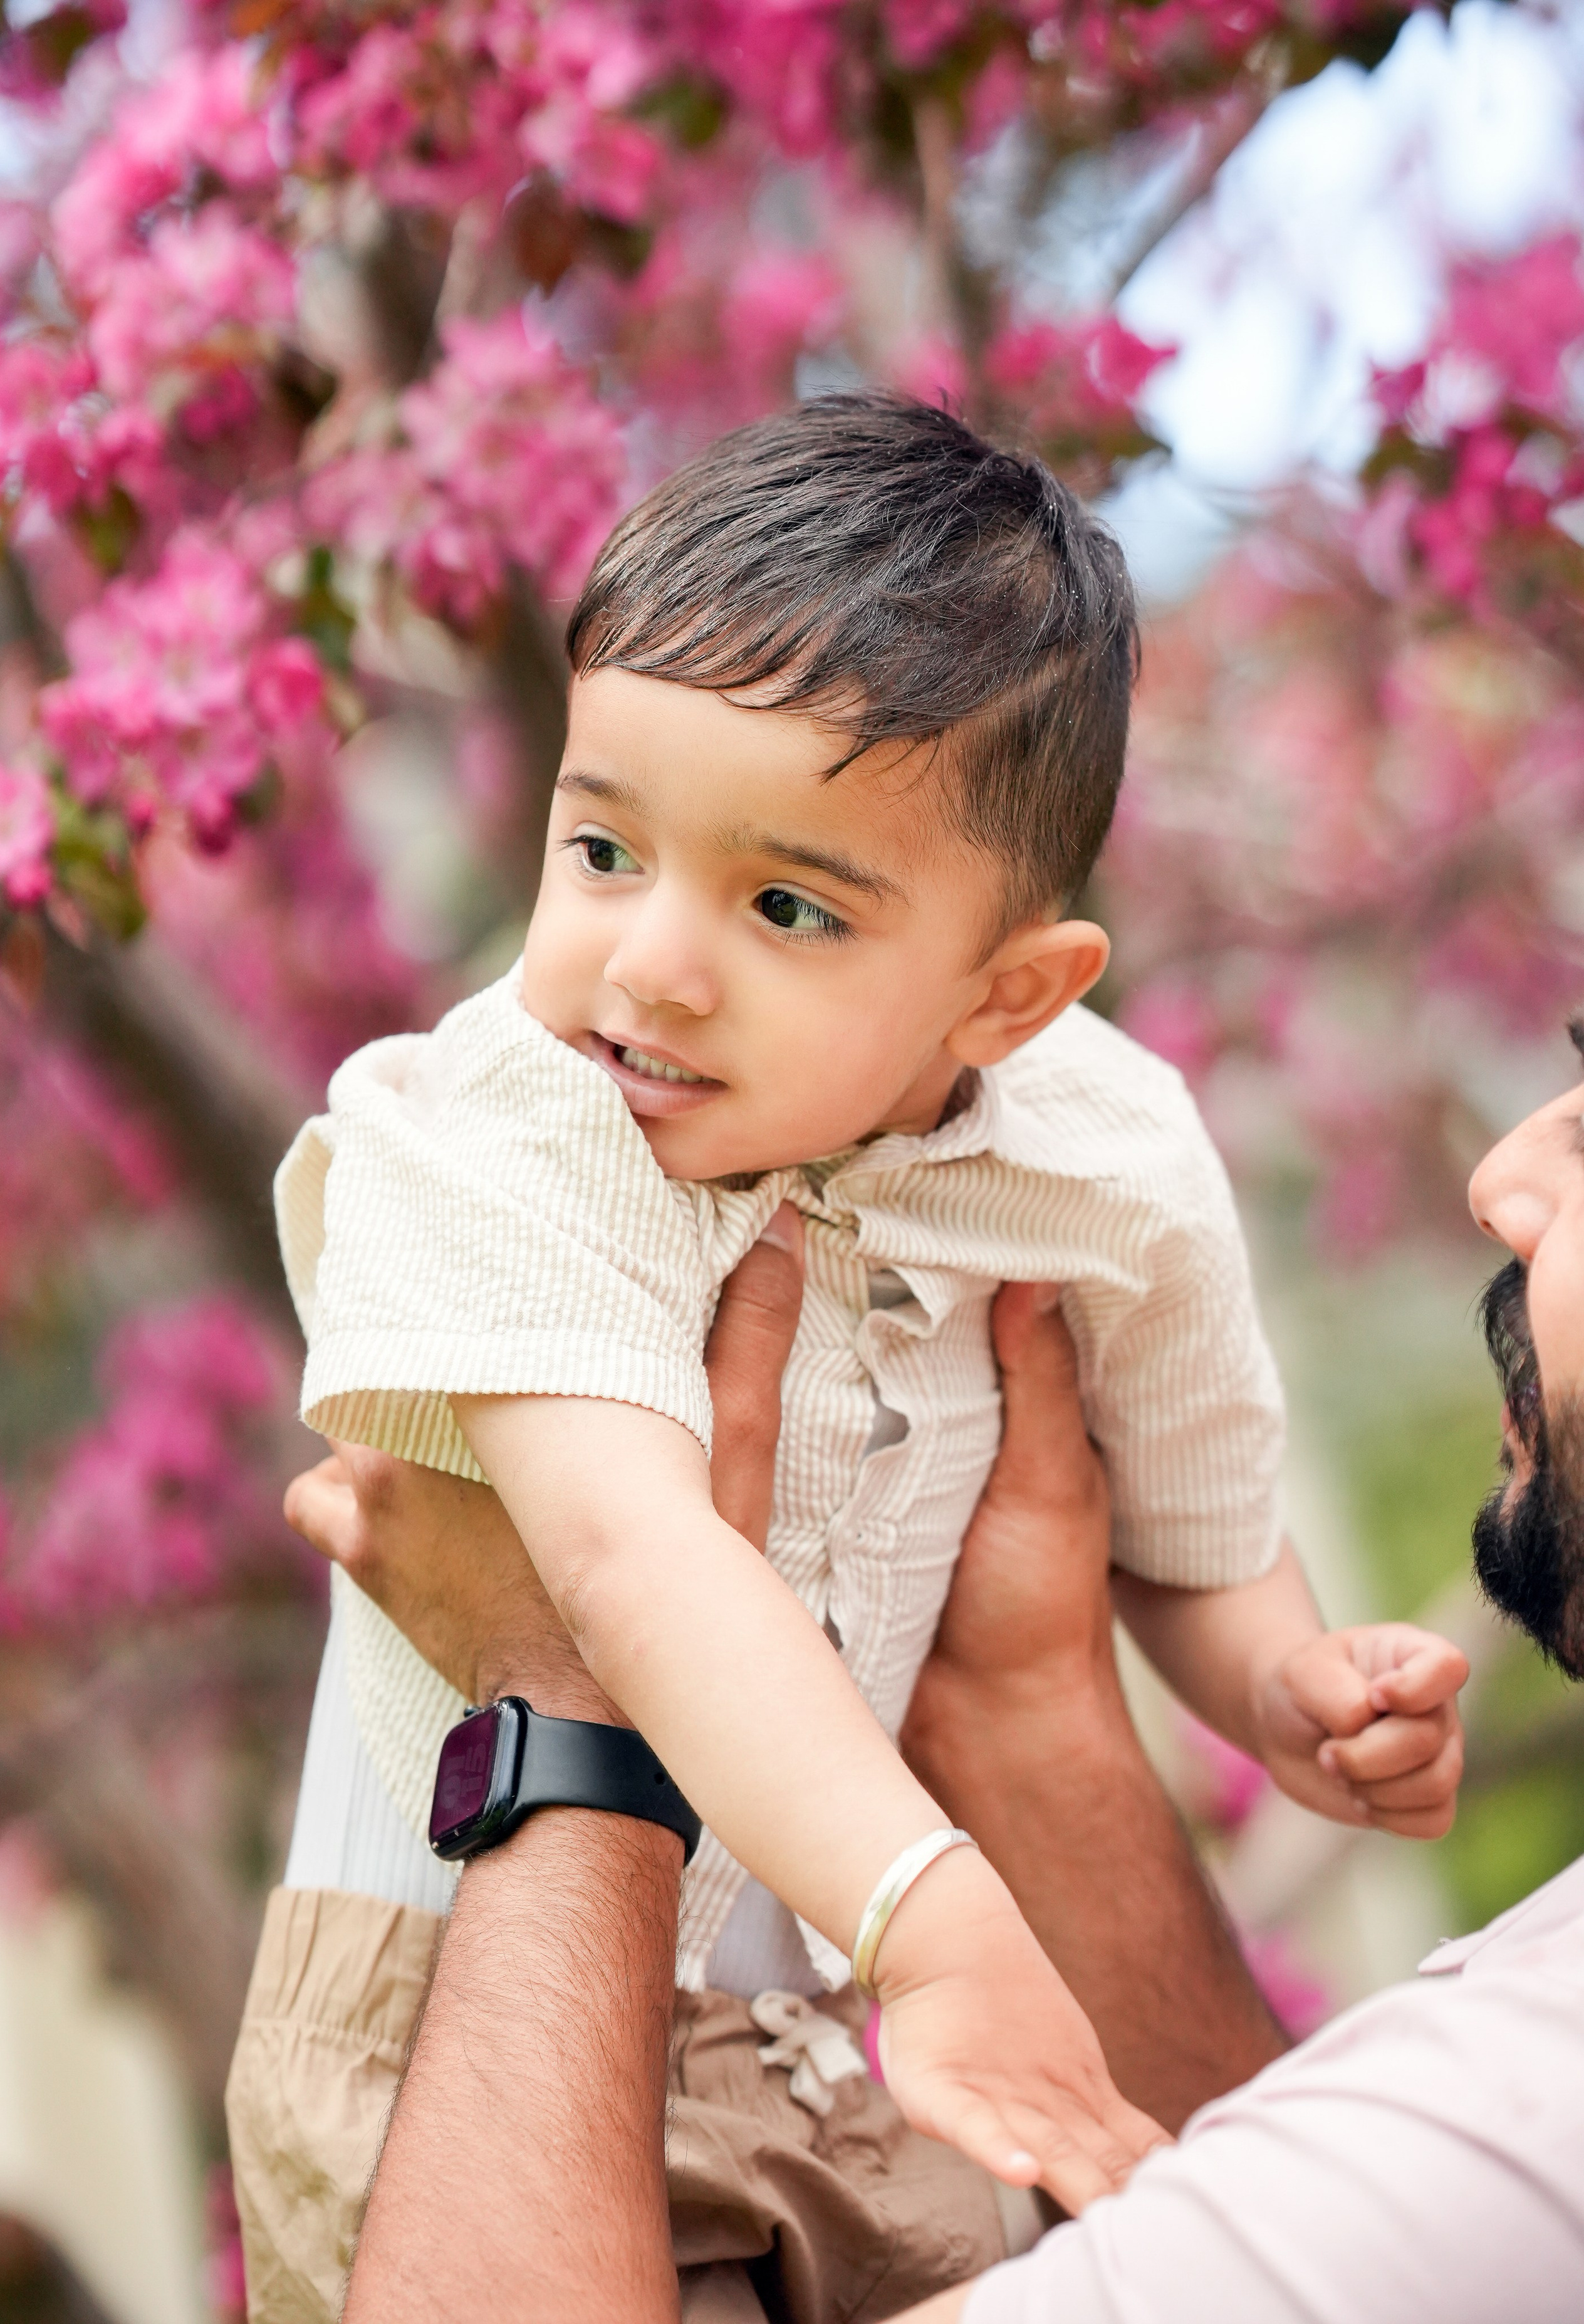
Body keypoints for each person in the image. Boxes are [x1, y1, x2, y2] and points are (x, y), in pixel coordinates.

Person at [244, 393, 1463, 2298]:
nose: (649, 961)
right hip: (469, 1996)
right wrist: (937, 1920)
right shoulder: (498, 1127)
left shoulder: (1102, 1149)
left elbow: (1191, 1509)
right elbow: (632, 1561)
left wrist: (1284, 1676)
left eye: (788, 902)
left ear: (1007, 993)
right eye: (601, 845)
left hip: (837, 2004)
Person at [279, 1028, 1584, 2323]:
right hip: (774, 2027)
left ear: (1007, 987)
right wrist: (1052, 1705)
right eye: (598, 852)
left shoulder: (1522, 2126)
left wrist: (568, 1701)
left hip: (662, 2035)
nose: (1501, 1175)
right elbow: (1248, 2229)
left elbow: (1200, 1483)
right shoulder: (519, 1105)